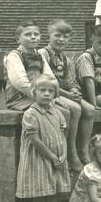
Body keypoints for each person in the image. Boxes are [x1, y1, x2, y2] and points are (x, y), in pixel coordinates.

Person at [16, 74, 71, 202]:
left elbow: (63, 135)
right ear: (34, 92)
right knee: (39, 201)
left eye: (51, 91)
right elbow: (34, 140)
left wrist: (63, 155)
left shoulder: (58, 113)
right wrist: (53, 156)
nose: (47, 94)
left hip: (56, 161)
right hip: (39, 162)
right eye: (42, 90)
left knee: (52, 200)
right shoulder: (31, 113)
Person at [40, 20, 94, 172]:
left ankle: (83, 151)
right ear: (49, 36)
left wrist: (75, 90)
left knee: (89, 110)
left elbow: (71, 81)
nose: (61, 40)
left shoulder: (66, 58)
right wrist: (69, 95)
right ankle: (72, 153)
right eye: (57, 35)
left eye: (65, 37)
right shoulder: (42, 54)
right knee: (75, 109)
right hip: (49, 93)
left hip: (65, 94)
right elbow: (46, 81)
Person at [5, 21, 55, 112]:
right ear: (18, 39)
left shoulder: (39, 56)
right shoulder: (14, 56)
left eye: (36, 34)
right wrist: (39, 97)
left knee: (69, 109)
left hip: (40, 96)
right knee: (51, 111)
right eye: (28, 34)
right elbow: (20, 82)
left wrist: (50, 94)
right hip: (19, 100)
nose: (33, 37)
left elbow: (50, 77)